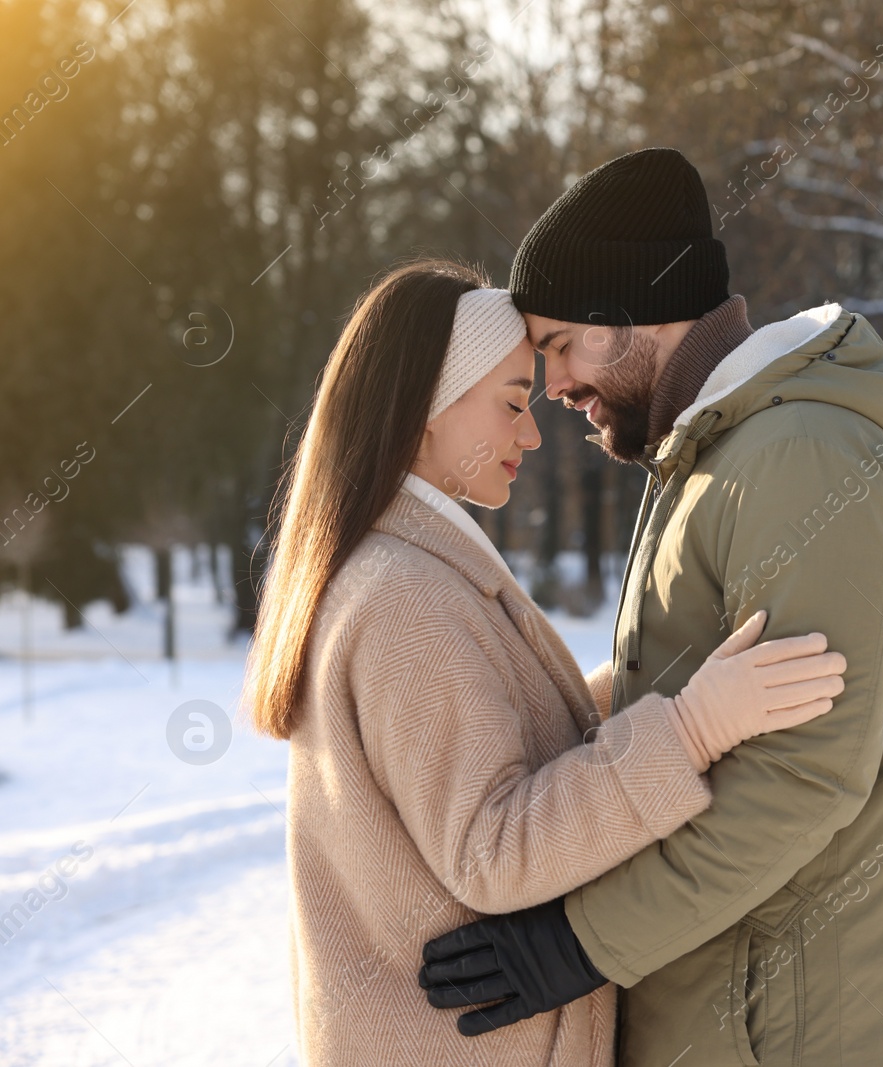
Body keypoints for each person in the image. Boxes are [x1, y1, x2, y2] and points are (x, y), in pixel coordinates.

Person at [419, 149, 883, 1066]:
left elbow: (801, 778)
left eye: (558, 344)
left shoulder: (800, 457)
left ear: (624, 317)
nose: (553, 387)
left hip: (804, 1029)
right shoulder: (712, 460)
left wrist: (578, 944)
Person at [241, 258, 847, 1066]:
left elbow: (507, 735)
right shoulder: (405, 597)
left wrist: (664, 678)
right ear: (427, 403)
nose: (530, 432)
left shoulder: (399, 566)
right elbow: (494, 848)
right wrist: (695, 727)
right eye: (509, 402)